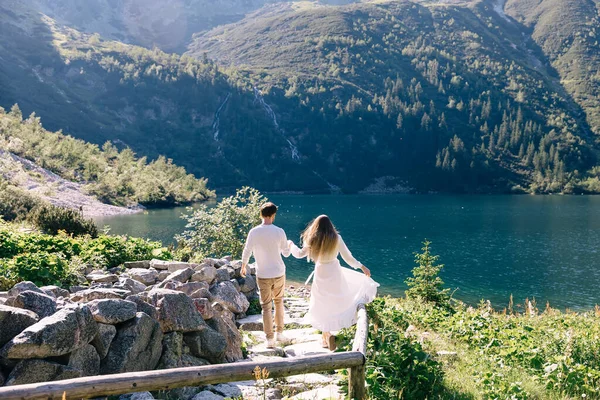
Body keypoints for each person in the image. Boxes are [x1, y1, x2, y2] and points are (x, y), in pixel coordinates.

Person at [289, 215, 378, 350]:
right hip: (335, 272)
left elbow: (300, 254)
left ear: (315, 226)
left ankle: (326, 335)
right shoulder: (336, 238)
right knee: (337, 300)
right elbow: (348, 258)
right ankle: (327, 335)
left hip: (321, 272)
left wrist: (290, 245)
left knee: (321, 303)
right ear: (330, 225)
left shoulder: (313, 239)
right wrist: (361, 266)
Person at [241, 202, 291, 348]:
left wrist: (243, 266)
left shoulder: (254, 232)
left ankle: (269, 339)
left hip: (262, 274)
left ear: (261, 214)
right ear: (273, 215)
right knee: (279, 302)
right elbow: (286, 253)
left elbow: (247, 250)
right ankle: (280, 333)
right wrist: (288, 245)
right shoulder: (279, 231)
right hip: (279, 272)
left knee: (266, 307)